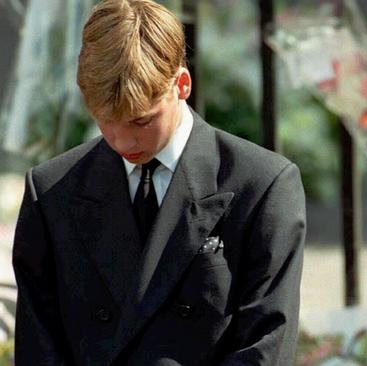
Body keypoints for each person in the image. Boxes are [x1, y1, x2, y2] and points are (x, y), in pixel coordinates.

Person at [12, 0, 306, 364]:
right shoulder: (52, 192)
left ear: (181, 84)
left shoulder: (261, 186)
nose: (122, 141)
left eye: (140, 121)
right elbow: (38, 349)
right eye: (106, 120)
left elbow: (265, 346)